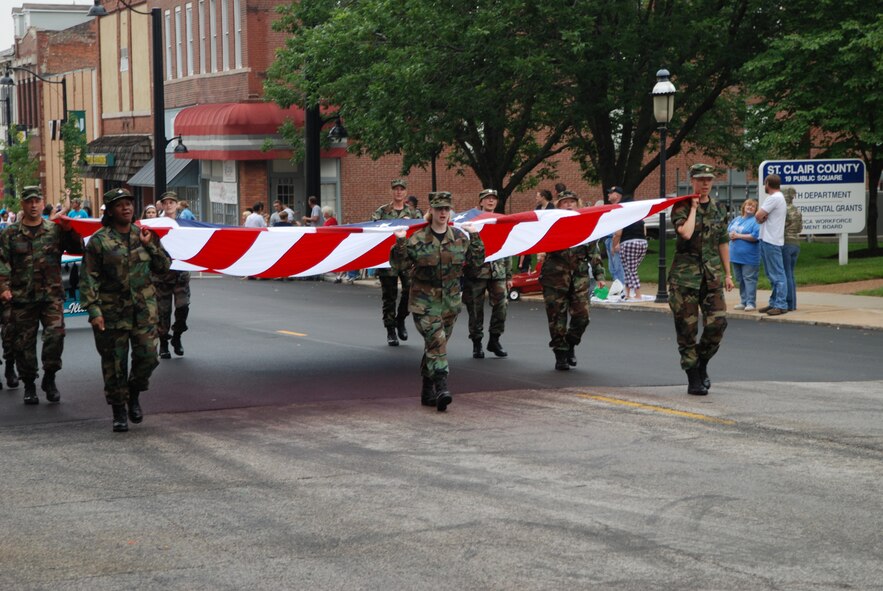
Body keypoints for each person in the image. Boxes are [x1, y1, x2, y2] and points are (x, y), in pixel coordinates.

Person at [80, 188, 171, 432]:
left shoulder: (145, 234)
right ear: (110, 211)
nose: (127, 208)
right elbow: (88, 279)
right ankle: (118, 410)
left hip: (143, 311)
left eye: (129, 203)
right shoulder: (99, 241)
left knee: (148, 358)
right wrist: (94, 311)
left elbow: (164, 266)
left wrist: (150, 246)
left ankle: (134, 392)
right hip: (112, 314)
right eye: (120, 205)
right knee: (114, 365)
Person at [390, 191, 484, 411]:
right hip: (425, 303)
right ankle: (442, 387)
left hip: (450, 303)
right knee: (437, 342)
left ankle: (426, 389)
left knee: (435, 346)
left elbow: (476, 264)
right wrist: (400, 242)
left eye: (446, 209)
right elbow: (399, 266)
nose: (443, 212)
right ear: (430, 210)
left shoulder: (460, 238)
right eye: (439, 208)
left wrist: (476, 237)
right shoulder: (417, 239)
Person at [0, 186, 83, 405]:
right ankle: (29, 384)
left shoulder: (54, 230)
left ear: (42, 202)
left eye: (37, 200)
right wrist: (3, 287)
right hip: (22, 297)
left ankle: (50, 378)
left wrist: (68, 230)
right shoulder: (10, 233)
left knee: (55, 337)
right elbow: (3, 263)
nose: (34, 205)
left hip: (51, 296)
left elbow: (79, 249)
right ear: (23, 205)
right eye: (29, 201)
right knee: (24, 344)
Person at [668, 163, 733, 396]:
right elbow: (685, 233)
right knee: (686, 330)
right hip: (684, 278)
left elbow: (723, 242)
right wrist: (694, 208)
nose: (705, 183)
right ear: (692, 181)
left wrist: (727, 273)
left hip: (711, 275)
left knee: (718, 323)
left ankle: (701, 362)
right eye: (700, 179)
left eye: (709, 179)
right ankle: (693, 376)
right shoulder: (681, 207)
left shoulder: (719, 209)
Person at [538, 190, 605, 371]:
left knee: (582, 316)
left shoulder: (585, 224)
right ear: (558, 206)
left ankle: (571, 343)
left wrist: (599, 274)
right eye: (564, 202)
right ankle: (560, 354)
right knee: (556, 318)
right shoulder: (550, 224)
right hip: (554, 277)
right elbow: (537, 240)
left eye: (572, 202)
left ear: (578, 204)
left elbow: (594, 251)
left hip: (579, 277)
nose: (568, 205)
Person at [463, 189, 511, 359]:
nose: (491, 201)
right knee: (475, 310)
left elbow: (507, 247)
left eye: (493, 199)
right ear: (481, 202)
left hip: (497, 271)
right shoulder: (471, 221)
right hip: (476, 271)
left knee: (502, 305)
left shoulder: (500, 220)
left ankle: (494, 339)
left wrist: (508, 275)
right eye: (487, 199)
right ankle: (477, 343)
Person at [372, 178, 419, 346]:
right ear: (391, 191)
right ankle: (390, 330)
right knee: (389, 296)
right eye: (395, 189)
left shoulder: (414, 214)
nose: (398, 192)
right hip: (389, 260)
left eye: (401, 189)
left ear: (406, 192)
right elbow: (373, 232)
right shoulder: (381, 212)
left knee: (410, 292)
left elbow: (420, 232)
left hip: (407, 260)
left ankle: (400, 319)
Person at [154, 191, 192, 358]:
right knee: (163, 312)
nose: (169, 205)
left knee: (183, 308)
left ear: (177, 204)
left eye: (172, 202)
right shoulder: (156, 224)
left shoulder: (184, 224)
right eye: (166, 202)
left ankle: (177, 336)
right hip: (162, 276)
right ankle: (163, 343)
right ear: (161, 205)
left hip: (180, 275)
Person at [755, 174, 788, 316]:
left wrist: (761, 217)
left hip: (771, 240)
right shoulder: (780, 198)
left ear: (768, 183)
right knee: (772, 273)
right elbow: (761, 217)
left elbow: (758, 215)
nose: (764, 186)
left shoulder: (774, 198)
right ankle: (774, 302)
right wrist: (762, 218)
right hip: (770, 239)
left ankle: (780, 304)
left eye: (765, 183)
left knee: (777, 274)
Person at [727, 198, 760, 311]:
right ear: (743, 207)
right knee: (739, 279)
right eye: (748, 205)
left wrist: (738, 236)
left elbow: (755, 236)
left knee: (749, 279)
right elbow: (728, 231)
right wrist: (730, 235)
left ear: (756, 210)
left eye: (753, 206)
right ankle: (743, 301)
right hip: (735, 256)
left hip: (749, 257)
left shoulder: (755, 221)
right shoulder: (736, 219)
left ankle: (751, 303)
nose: (750, 207)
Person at [615, 197, 648, 300]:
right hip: (643, 243)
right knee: (630, 269)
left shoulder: (623, 218)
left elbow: (618, 233)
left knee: (631, 270)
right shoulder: (639, 218)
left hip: (628, 243)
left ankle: (638, 294)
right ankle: (628, 293)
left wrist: (615, 244)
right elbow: (645, 231)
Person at [782, 187, 803, 311]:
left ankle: (789, 303)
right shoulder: (797, 210)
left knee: (786, 274)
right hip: (796, 243)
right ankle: (793, 304)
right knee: (791, 274)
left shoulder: (783, 210)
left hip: (786, 243)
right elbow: (800, 229)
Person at [603, 187, 626, 290]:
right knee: (612, 268)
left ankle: (622, 289)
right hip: (609, 239)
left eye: (610, 193)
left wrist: (617, 243)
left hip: (616, 239)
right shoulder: (613, 208)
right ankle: (618, 288)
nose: (608, 195)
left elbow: (621, 227)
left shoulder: (621, 208)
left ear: (616, 195)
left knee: (618, 267)